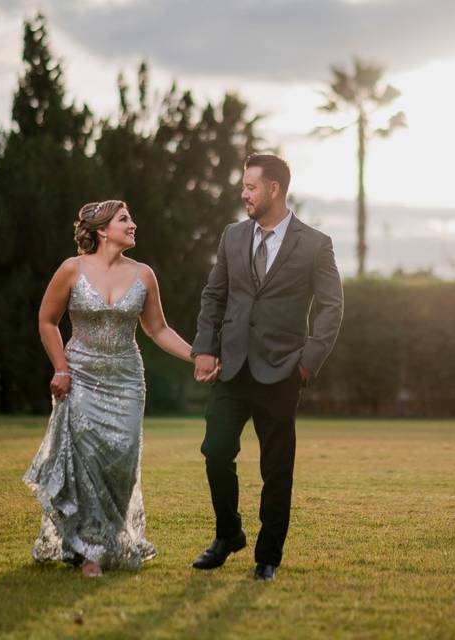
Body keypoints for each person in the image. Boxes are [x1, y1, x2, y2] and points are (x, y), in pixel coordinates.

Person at [191, 153, 343, 580]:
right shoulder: (232, 236)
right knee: (215, 451)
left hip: (282, 371)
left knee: (276, 467)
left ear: (274, 189)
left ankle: (268, 556)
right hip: (232, 368)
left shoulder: (315, 243)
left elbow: (332, 308)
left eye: (251, 187)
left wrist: (308, 361)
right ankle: (228, 534)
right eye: (243, 187)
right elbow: (213, 296)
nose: (244, 194)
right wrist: (205, 347)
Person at [24, 200, 193, 578]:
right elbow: (47, 320)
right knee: (88, 459)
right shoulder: (72, 269)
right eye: (124, 219)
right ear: (102, 230)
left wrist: (196, 355)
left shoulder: (144, 274)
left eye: (130, 218)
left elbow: (158, 330)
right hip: (80, 375)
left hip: (127, 380)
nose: (133, 225)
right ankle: (91, 552)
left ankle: (110, 539)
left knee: (122, 461)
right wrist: (61, 368)